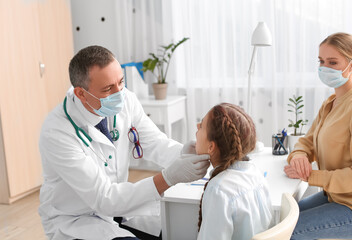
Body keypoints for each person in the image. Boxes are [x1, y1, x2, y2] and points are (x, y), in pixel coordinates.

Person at [38, 45, 210, 240]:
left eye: (121, 82)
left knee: (182, 228)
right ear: (81, 93)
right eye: (108, 89)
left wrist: (183, 153)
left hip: (118, 208)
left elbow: (154, 142)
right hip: (76, 220)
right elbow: (103, 198)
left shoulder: (125, 99)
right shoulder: (57, 132)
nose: (119, 92)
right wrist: (168, 178)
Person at [284, 32, 352, 239]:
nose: (324, 68)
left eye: (332, 62)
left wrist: (310, 176)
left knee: (285, 232)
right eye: (321, 61)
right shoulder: (331, 103)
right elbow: (307, 142)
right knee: (280, 218)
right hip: (336, 197)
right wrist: (299, 156)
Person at [195, 103, 273, 240]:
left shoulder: (219, 190)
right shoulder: (255, 172)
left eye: (201, 126)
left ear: (211, 147)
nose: (197, 126)